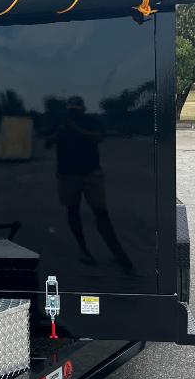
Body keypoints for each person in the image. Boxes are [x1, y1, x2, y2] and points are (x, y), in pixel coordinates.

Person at [47, 96, 133, 272]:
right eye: (71, 109)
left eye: (76, 109)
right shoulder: (61, 123)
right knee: (72, 211)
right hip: (67, 174)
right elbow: (47, 143)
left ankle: (118, 253)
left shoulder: (91, 121)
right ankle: (83, 249)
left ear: (82, 109)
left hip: (90, 173)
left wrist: (76, 129)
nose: (74, 112)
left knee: (101, 212)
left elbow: (100, 137)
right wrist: (59, 132)